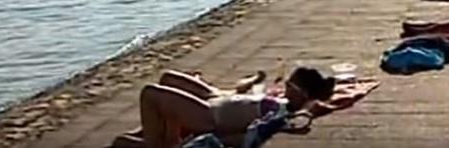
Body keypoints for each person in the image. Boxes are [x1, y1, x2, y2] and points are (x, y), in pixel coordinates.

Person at [124, 67, 334, 148]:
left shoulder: (282, 114)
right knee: (168, 77)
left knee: (150, 93)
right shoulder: (282, 103)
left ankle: (154, 143)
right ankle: (160, 134)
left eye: (289, 85)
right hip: (213, 99)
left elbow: (250, 136)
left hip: (207, 116)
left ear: (301, 94)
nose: (285, 86)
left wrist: (221, 140)